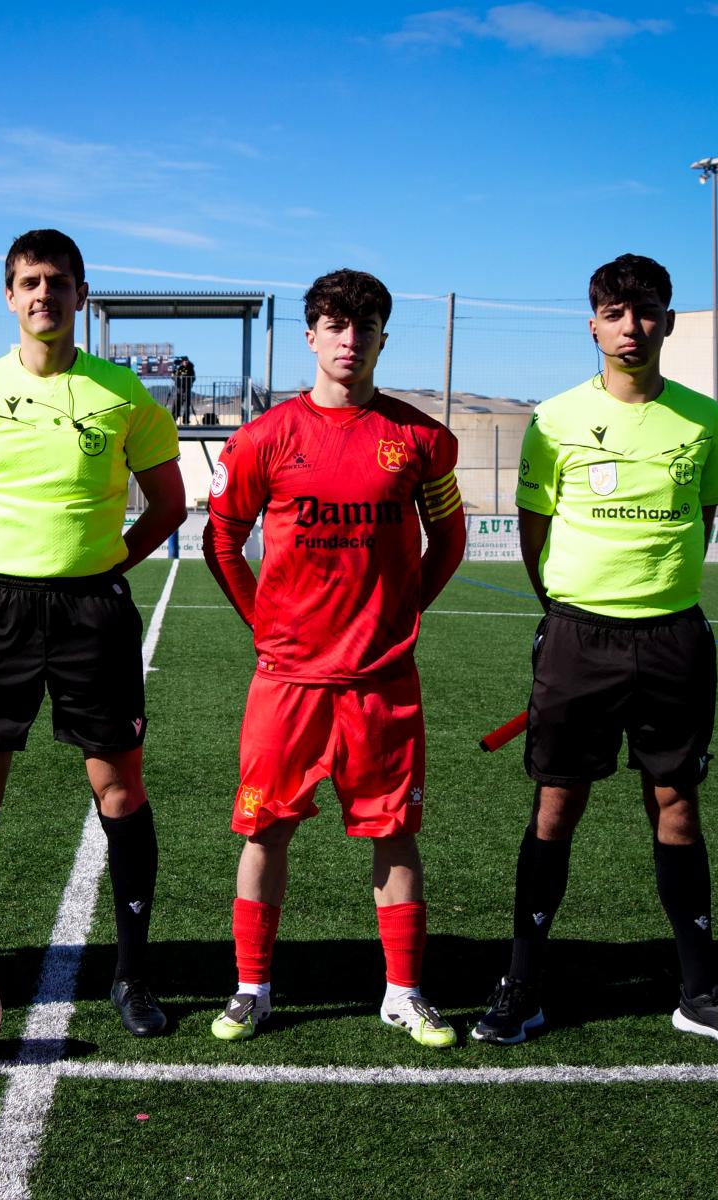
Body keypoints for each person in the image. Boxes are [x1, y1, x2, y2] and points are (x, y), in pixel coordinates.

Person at [472, 253, 718, 1051]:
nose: (631, 327)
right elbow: (534, 528)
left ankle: (699, 993)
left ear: (667, 322)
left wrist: (653, 597)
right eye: (615, 313)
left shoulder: (702, 420)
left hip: (673, 638)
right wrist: (565, 610)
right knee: (556, 805)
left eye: (645, 312)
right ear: (593, 326)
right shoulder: (555, 419)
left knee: (677, 805)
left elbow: (703, 519)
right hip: (579, 636)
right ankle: (522, 985)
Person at [0, 229, 186, 1037]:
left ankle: (132, 974)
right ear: (10, 296)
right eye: (31, 281)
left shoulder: (122, 393)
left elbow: (169, 504)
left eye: (59, 281)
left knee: (120, 787)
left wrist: (107, 563)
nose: (45, 294)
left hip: (92, 614)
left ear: (81, 294)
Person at [203, 268, 465, 1046]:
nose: (350, 340)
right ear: (311, 336)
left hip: (382, 682)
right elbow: (223, 540)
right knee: (264, 832)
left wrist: (405, 612)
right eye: (335, 325)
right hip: (288, 681)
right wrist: (263, 623)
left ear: (382, 337)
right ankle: (252, 988)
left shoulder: (421, 440)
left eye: (365, 327)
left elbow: (449, 541)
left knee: (396, 834)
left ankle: (403, 993)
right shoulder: (264, 438)